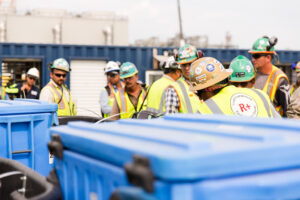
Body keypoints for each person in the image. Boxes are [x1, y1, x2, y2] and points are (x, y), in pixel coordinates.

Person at [190, 57, 280, 118]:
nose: (200, 98)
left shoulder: (205, 109)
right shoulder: (261, 95)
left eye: (199, 93)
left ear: (207, 89)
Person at [249, 36, 290, 117]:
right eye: (252, 55)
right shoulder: (251, 75)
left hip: (273, 126)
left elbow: (287, 110)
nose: (253, 59)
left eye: (256, 56)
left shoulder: (280, 79)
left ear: (268, 57)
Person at [164, 44, 208, 114]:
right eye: (184, 65)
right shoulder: (173, 89)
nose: (187, 68)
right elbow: (171, 119)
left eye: (190, 64)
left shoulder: (208, 83)